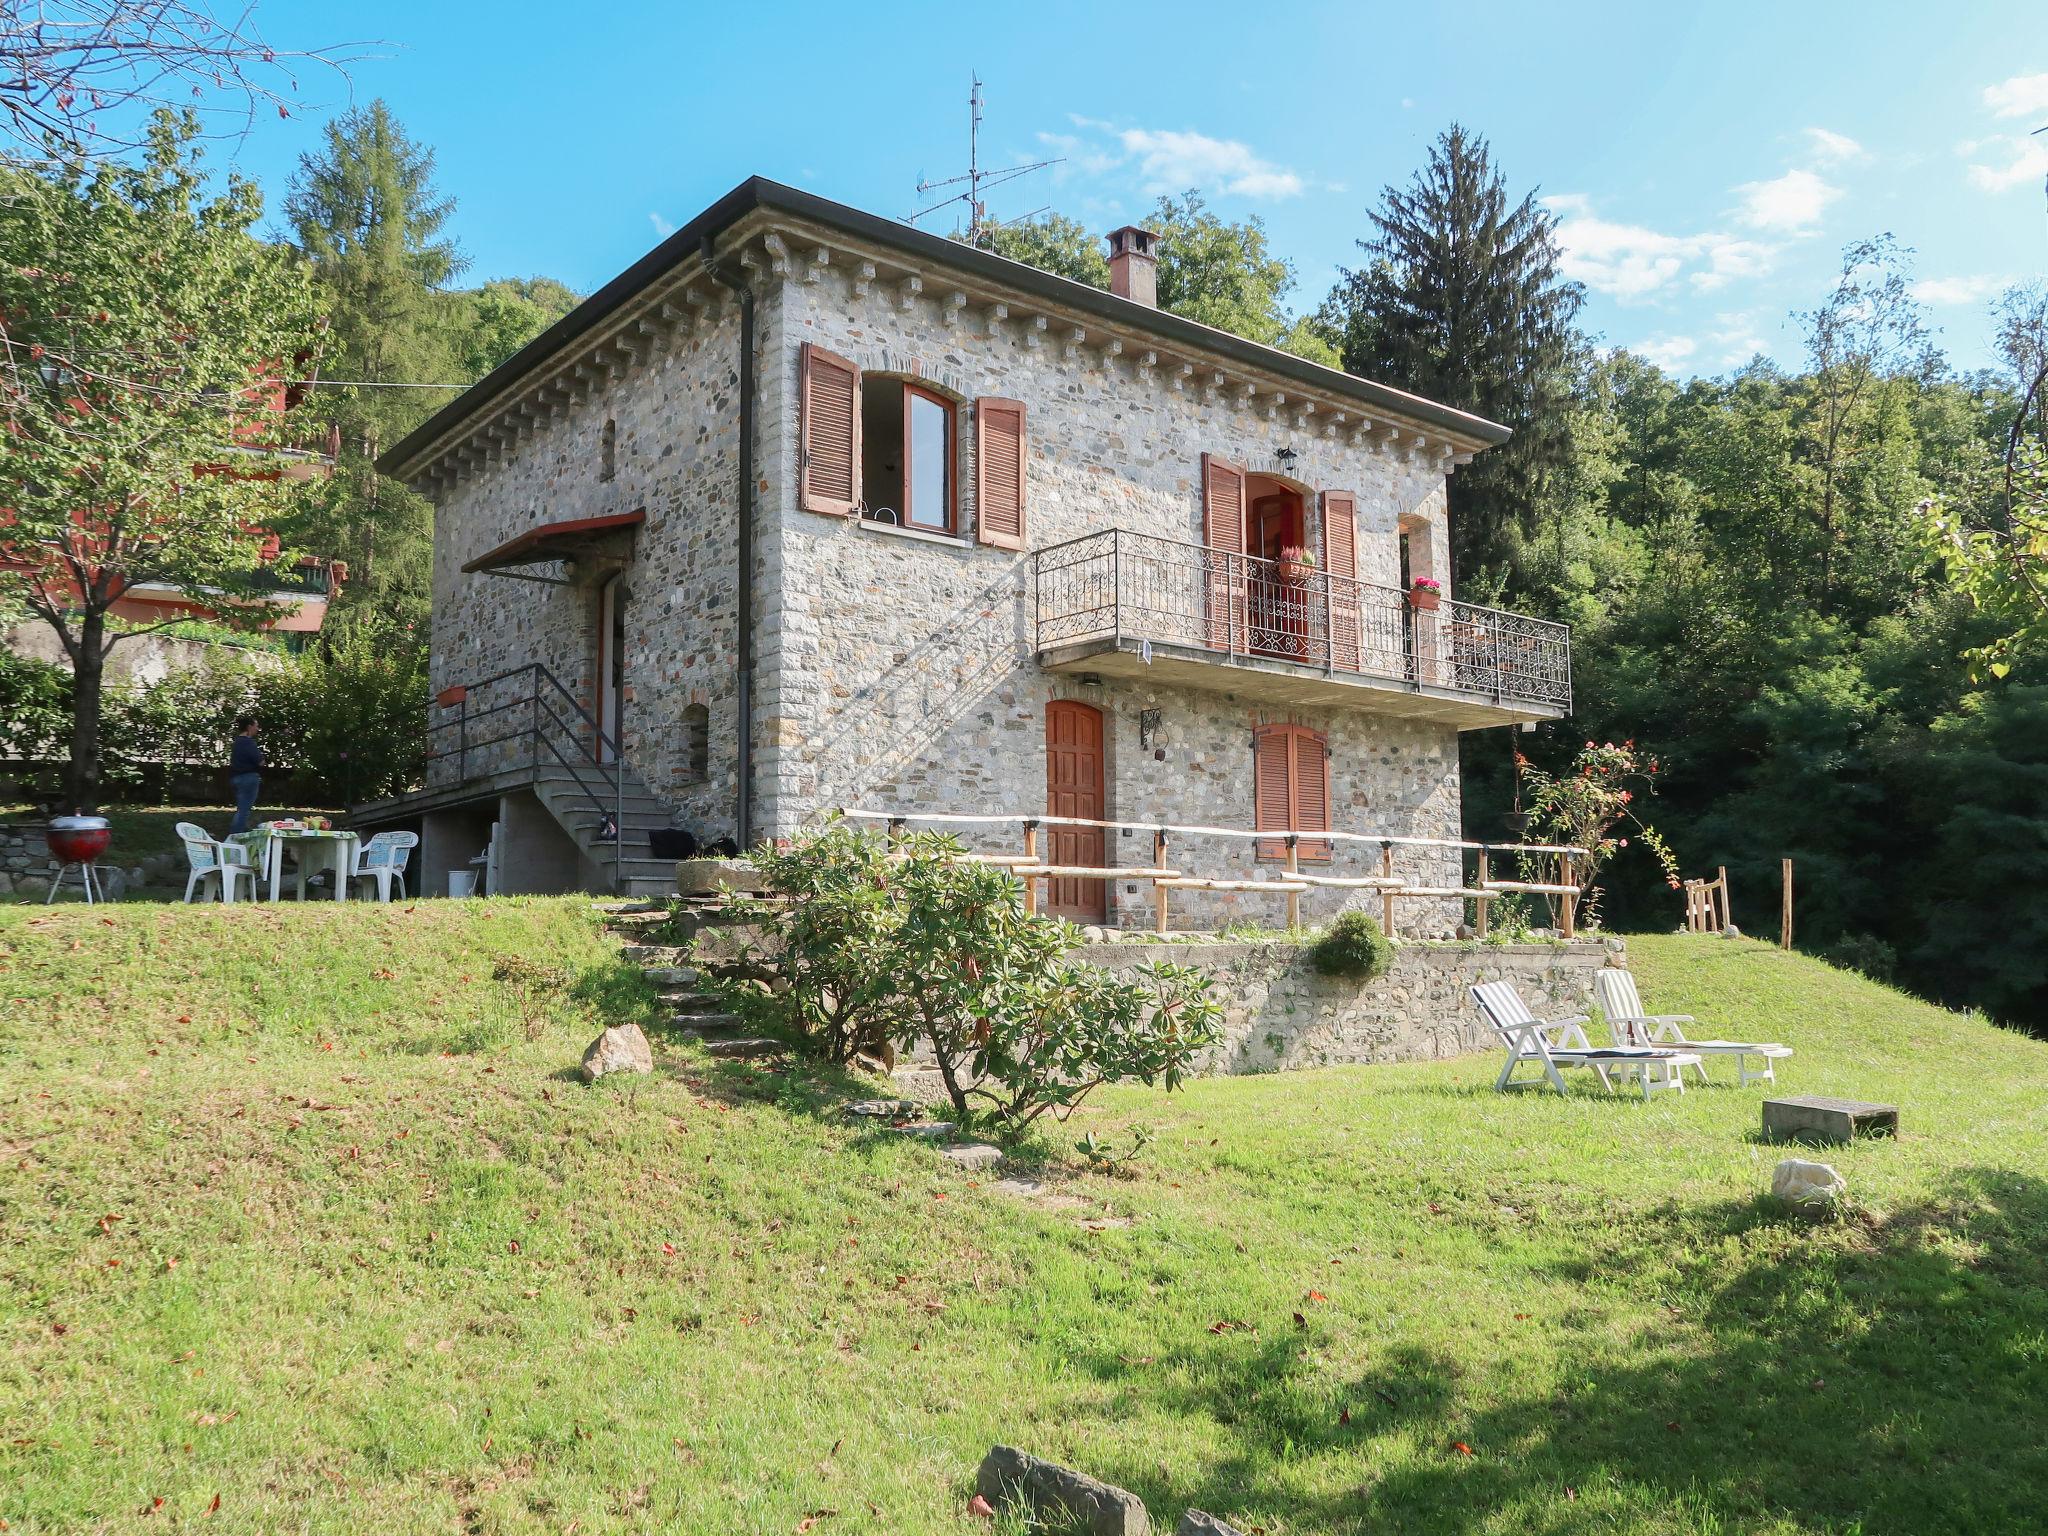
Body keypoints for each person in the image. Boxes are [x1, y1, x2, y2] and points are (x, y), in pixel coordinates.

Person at [227, 714, 264, 835]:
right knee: (244, 809)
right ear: (249, 727)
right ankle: (236, 834)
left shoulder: (237, 742)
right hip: (249, 778)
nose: (257, 729)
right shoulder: (248, 743)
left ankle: (239, 830)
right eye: (256, 726)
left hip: (237, 778)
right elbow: (260, 761)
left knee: (241, 807)